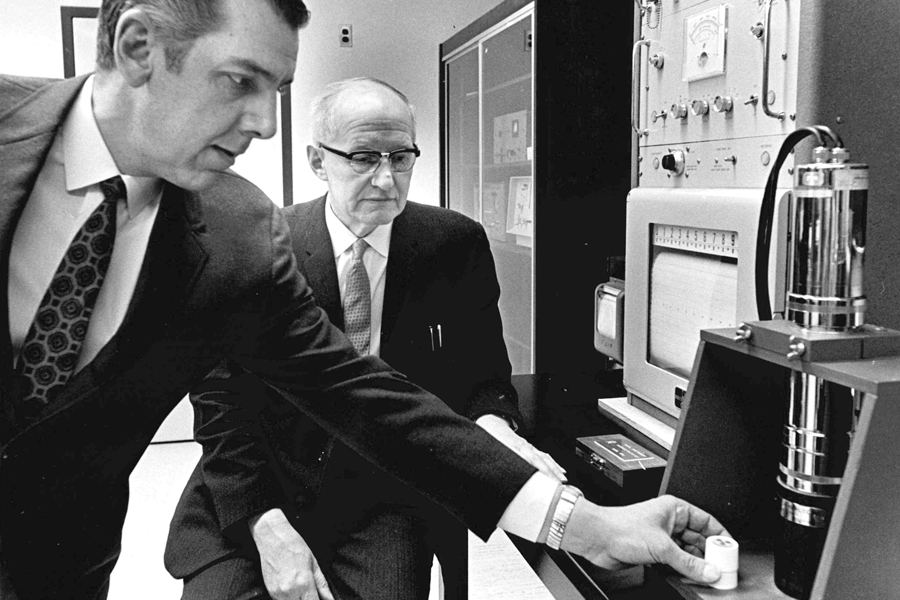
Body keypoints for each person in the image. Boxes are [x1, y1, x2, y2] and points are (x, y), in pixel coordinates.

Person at [0, 0, 728, 597]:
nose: (265, 124)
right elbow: (226, 409)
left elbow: (362, 395)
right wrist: (264, 521)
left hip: (55, 569)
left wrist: (588, 525)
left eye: (276, 91)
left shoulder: (237, 231)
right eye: (240, 81)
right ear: (138, 48)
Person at [165, 77, 568, 600]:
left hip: (384, 487)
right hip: (261, 480)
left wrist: (495, 427)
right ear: (318, 161)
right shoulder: (264, 245)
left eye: (400, 158)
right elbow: (221, 400)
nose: (385, 179)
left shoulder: (453, 244)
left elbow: (484, 378)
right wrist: (266, 524)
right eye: (363, 158)